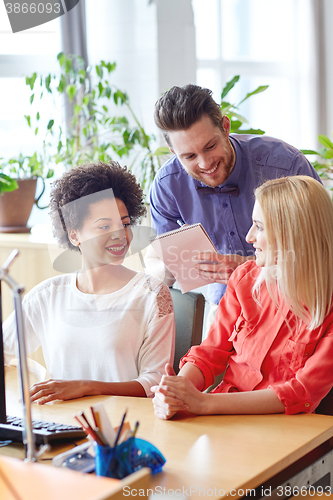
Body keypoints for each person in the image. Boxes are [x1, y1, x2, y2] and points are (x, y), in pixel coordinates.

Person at [152, 176, 333, 418]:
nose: (249, 237)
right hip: (219, 415)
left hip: (280, 431)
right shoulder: (244, 278)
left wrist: (203, 404)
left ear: (294, 234)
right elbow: (210, 353)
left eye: (260, 227)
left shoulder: (327, 305)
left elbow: (302, 392)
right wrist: (179, 391)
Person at [4, 161, 175, 403]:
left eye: (125, 224)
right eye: (104, 226)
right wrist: (36, 380)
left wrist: (86, 387)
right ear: (74, 235)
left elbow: (155, 382)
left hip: (125, 428)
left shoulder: (151, 294)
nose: (120, 235)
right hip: (59, 426)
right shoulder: (47, 296)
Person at [148, 84, 321, 309]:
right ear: (174, 153)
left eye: (210, 146)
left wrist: (249, 268)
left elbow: (321, 248)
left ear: (225, 127)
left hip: (295, 297)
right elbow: (164, 267)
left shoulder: (285, 166)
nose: (205, 163)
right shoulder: (167, 186)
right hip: (225, 307)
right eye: (189, 156)